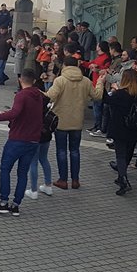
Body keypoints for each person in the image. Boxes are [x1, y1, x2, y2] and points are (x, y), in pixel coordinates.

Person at [0, 68, 45, 216]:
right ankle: (16, 204)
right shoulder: (39, 95)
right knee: (22, 173)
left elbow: (15, 113)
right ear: (34, 80)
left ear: (20, 79)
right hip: (33, 140)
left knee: (5, 169)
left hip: (18, 139)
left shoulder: (21, 95)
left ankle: (3, 202)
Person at [45, 55, 98, 190]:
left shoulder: (60, 80)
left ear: (64, 66)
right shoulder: (86, 81)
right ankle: (75, 180)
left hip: (61, 121)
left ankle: (63, 180)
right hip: (77, 121)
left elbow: (50, 97)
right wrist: (101, 82)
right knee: (75, 151)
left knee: (61, 151)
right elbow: (97, 96)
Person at [97, 69, 137, 195]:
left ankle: (123, 179)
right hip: (135, 128)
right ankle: (121, 175)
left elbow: (106, 100)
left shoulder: (121, 94)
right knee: (128, 152)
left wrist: (103, 85)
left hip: (120, 127)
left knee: (120, 154)